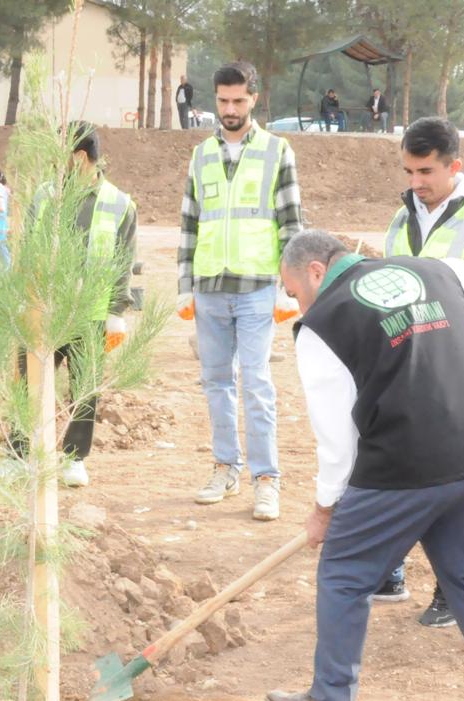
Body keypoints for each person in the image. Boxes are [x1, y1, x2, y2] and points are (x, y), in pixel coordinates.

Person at [265, 230, 464, 701]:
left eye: (292, 291)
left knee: (345, 574)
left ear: (314, 272)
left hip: (403, 466)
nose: (295, 303)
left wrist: (325, 508)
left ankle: (330, 699)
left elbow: (337, 439)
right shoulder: (431, 270)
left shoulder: (322, 325)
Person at [379, 117, 464, 619]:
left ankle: (453, 592)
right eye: (409, 171)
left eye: (425, 172)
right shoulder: (401, 220)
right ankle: (391, 571)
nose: (416, 183)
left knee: (459, 492)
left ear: (454, 167)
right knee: (403, 473)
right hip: (410, 374)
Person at [177, 61, 303, 521]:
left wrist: (289, 289)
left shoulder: (277, 150)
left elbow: (291, 223)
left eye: (238, 100)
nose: (229, 110)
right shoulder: (201, 154)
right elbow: (190, 221)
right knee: (215, 382)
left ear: (254, 97)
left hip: (255, 288)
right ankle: (225, 468)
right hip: (210, 286)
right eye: (223, 101)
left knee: (256, 382)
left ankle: (266, 479)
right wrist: (183, 285)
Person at [16, 122, 136, 489]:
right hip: (44, 309)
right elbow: (28, 251)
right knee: (29, 383)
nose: (55, 164)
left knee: (84, 388)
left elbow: (123, 261)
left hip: (90, 313)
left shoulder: (119, 204)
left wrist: (116, 312)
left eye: (60, 156)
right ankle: (19, 454)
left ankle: (74, 458)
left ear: (80, 157)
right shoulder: (44, 196)